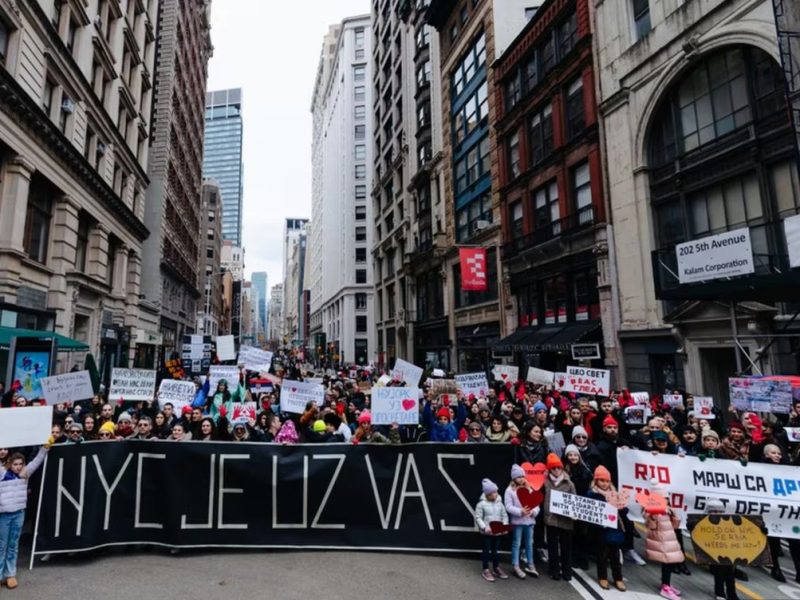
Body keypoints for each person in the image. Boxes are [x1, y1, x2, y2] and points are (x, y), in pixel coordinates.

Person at [0, 441, 50, 589]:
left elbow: (37, 460)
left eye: (20, 464)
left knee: (13, 545)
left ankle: (10, 574)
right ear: (10, 464)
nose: (18, 466)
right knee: (2, 546)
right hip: (4, 515)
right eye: (15, 464)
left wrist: (45, 448)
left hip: (19, 513)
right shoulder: (2, 473)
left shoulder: (25, 474)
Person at [586, 465, 626, 591]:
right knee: (602, 555)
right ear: (596, 481)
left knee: (615, 555)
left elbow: (624, 512)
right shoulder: (592, 494)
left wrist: (622, 506)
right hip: (600, 530)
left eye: (607, 481)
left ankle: (618, 578)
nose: (605, 483)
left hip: (614, 528)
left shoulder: (615, 494)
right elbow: (587, 510)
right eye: (602, 480)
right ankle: (602, 577)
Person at [644, 479, 684, 600]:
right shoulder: (650, 511)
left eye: (666, 498)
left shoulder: (668, 510)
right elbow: (650, 526)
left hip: (669, 539)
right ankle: (665, 587)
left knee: (670, 562)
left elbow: (675, 526)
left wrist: (674, 514)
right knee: (667, 562)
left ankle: (666, 584)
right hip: (661, 540)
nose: (665, 501)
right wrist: (654, 515)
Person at [543, 453, 575, 581]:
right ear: (549, 469)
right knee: (552, 546)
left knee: (566, 546)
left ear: (562, 468)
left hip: (565, 520)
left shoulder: (569, 483)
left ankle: (567, 570)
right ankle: (554, 569)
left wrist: (573, 513)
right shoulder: (545, 482)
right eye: (553, 468)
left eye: (558, 467)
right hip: (551, 519)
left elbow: (574, 501)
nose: (556, 470)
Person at [504, 464, 540, 579]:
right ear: (514, 478)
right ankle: (516, 565)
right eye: (518, 477)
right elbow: (508, 506)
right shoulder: (509, 490)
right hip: (517, 523)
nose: (521, 479)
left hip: (529, 522)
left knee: (529, 543)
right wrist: (520, 511)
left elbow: (536, 504)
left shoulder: (529, 488)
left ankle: (530, 564)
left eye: (522, 476)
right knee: (517, 544)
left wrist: (533, 512)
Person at [702, 497, 738, 600]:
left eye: (720, 511)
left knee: (730, 573)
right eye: (714, 511)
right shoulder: (703, 523)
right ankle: (720, 593)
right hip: (714, 552)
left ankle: (732, 594)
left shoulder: (727, 523)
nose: (718, 514)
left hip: (727, 551)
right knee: (719, 573)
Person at [475, 478, 509, 582]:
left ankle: (496, 568)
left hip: (497, 533)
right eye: (493, 492)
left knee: (495, 551)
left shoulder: (500, 504)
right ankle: (485, 569)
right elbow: (478, 517)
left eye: (496, 492)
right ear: (488, 494)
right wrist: (484, 527)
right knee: (486, 551)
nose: (495, 494)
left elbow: (504, 516)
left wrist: (504, 526)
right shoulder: (481, 504)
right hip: (487, 533)